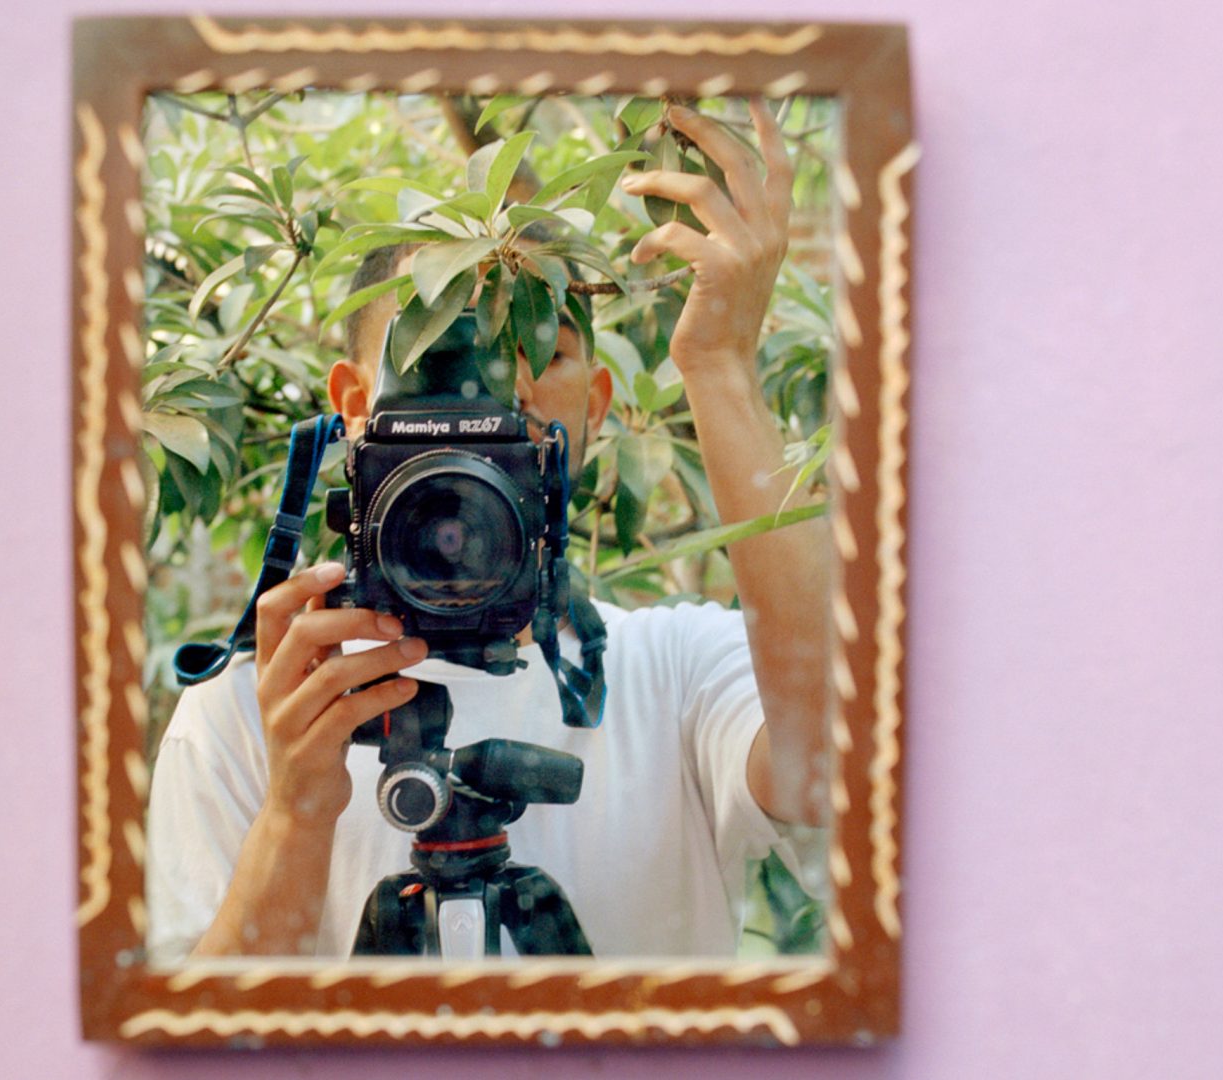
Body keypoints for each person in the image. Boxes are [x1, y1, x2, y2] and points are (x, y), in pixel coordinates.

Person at [146, 100, 831, 962]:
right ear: (354, 408)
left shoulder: (676, 670)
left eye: (538, 351)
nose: (491, 399)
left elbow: (829, 771)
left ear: (597, 406)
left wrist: (721, 363)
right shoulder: (246, 715)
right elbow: (196, 1047)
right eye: (436, 359)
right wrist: (296, 812)